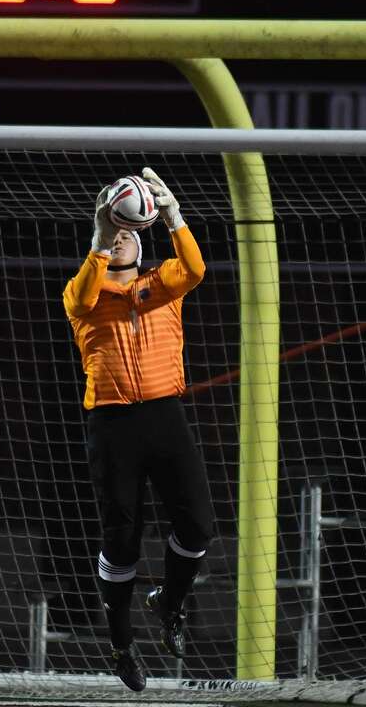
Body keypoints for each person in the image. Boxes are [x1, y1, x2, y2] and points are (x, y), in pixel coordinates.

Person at [63, 168, 214, 692]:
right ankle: (121, 643)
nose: (124, 236)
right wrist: (101, 241)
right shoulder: (84, 291)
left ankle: (169, 603)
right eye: (114, 231)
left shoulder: (163, 283)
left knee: (198, 525)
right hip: (112, 425)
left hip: (164, 416)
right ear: (103, 236)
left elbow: (194, 267)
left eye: (130, 232)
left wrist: (174, 216)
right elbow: (82, 296)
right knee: (122, 540)